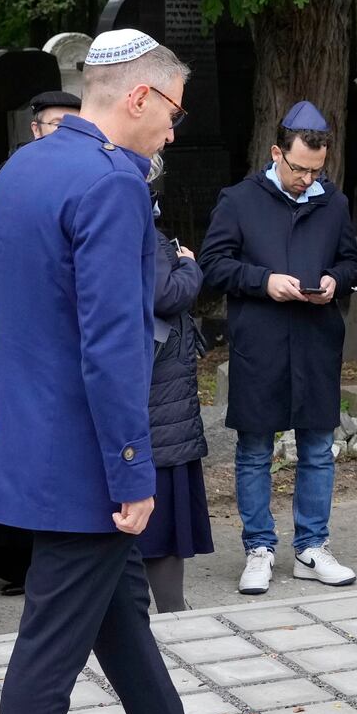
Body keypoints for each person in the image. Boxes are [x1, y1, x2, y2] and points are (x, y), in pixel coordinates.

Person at [0, 29, 262, 714]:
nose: (174, 132)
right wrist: (133, 471)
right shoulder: (109, 183)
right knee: (48, 650)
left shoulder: (30, 164)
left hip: (27, 435)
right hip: (83, 458)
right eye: (172, 111)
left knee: (118, 607)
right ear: (136, 97)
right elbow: (110, 342)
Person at [200, 101, 357, 596]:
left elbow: (351, 262)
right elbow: (212, 264)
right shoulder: (239, 200)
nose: (306, 179)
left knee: (318, 449)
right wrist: (263, 280)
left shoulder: (332, 203)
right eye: (298, 169)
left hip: (315, 341)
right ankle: (259, 549)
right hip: (262, 343)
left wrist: (336, 281)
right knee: (254, 451)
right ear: (277, 153)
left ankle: (313, 547)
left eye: (316, 171)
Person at [0, 91, 76, 597]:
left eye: (69, 126)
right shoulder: (15, 179)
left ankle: (45, 560)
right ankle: (15, 562)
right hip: (5, 327)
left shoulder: (83, 177)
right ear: (34, 129)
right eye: (52, 125)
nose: (59, 134)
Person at [138, 158, 214, 612]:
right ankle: (170, 608)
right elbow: (166, 295)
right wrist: (190, 267)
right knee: (158, 511)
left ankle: (168, 606)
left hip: (163, 390)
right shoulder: (142, 228)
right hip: (158, 392)